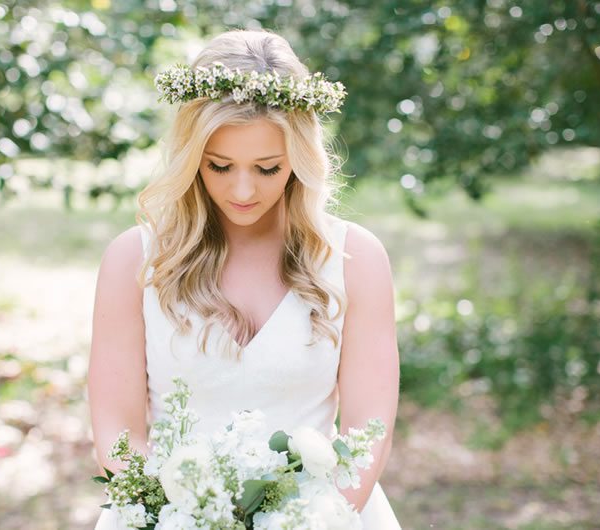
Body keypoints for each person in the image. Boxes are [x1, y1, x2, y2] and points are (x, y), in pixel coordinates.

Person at [88, 28, 402, 529]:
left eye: (267, 168)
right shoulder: (136, 260)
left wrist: (311, 522)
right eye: (219, 165)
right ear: (192, 158)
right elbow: (117, 429)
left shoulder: (353, 258)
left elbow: (370, 426)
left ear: (299, 160)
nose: (242, 190)